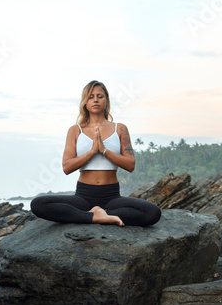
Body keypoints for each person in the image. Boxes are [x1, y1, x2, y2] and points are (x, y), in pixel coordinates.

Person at [31, 80, 161, 227]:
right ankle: (95, 216)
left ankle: (102, 214)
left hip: (112, 197)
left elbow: (130, 164)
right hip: (83, 197)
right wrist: (92, 152)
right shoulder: (75, 130)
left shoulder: (120, 129)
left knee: (152, 212)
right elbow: (67, 167)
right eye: (91, 96)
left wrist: (104, 151)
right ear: (85, 102)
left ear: (106, 101)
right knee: (38, 204)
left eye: (100, 96)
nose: (95, 100)